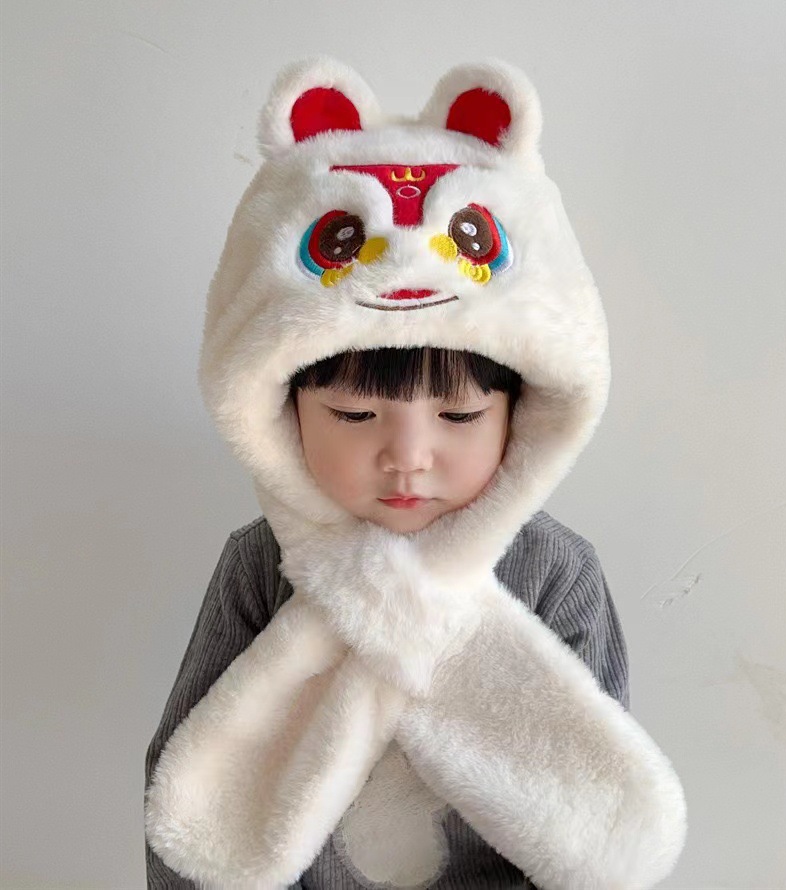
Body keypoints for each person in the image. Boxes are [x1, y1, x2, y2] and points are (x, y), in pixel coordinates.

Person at [144, 57, 687, 889]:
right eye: (354, 415)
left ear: (524, 417)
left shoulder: (556, 572)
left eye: (459, 417)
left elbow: (588, 812)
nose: (408, 455)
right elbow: (186, 792)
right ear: (280, 414)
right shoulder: (259, 566)